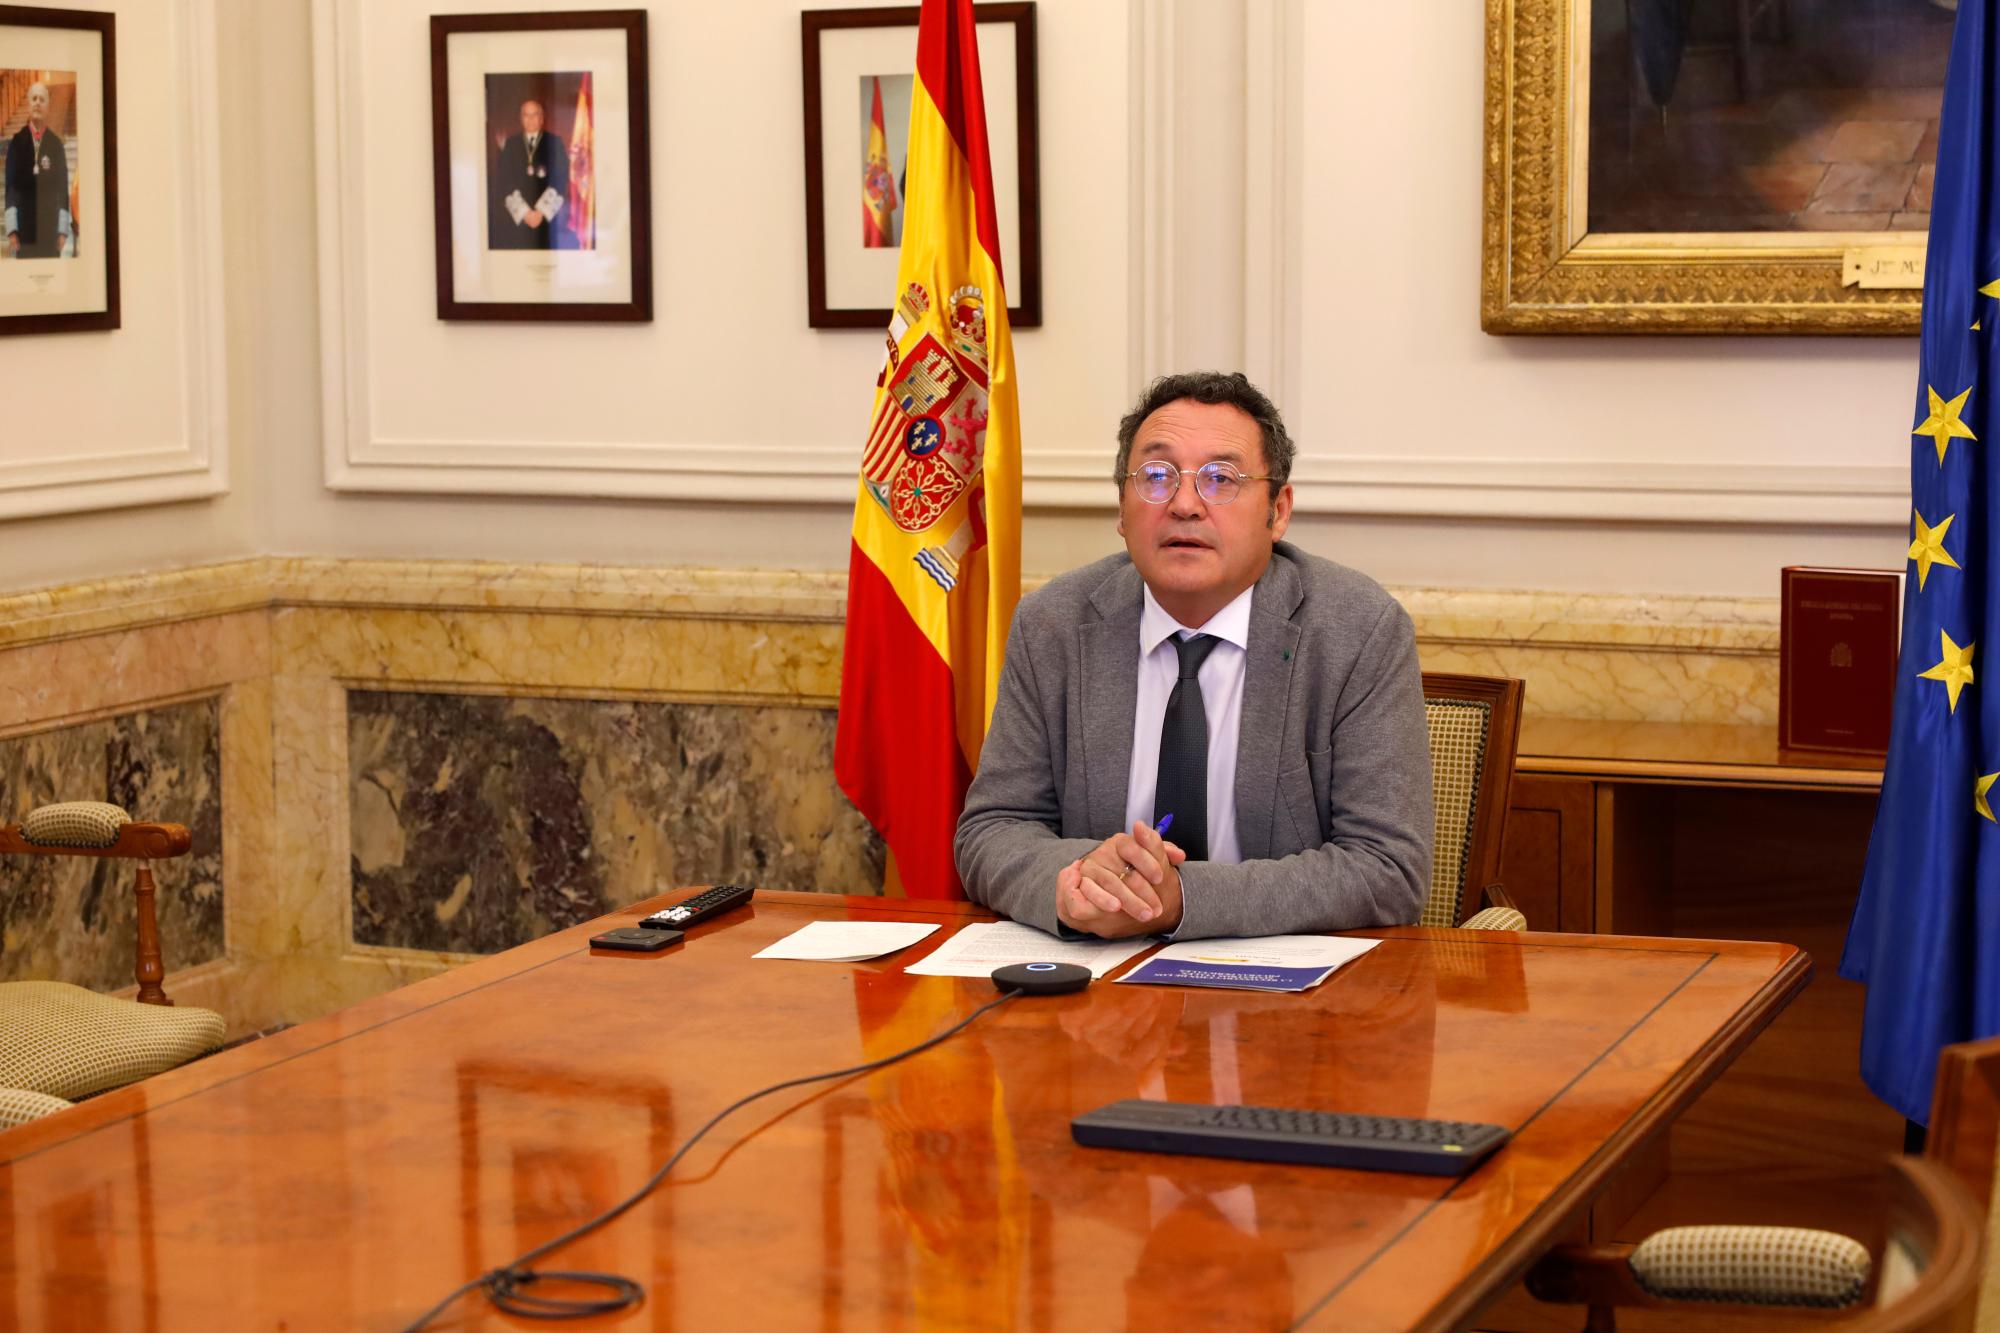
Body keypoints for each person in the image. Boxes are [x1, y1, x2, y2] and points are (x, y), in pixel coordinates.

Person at [955, 371, 1433, 940]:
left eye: (1220, 478)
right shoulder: (1052, 625)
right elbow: (992, 829)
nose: (1184, 504)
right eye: (1156, 476)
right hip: (1098, 977)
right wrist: (1077, 880)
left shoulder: (1357, 631)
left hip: (1282, 983)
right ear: (1122, 508)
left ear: (1278, 511)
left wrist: (1182, 901)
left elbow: (1387, 868)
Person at [4, 82, 72, 259]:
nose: (37, 103)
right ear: (28, 104)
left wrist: (62, 231)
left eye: (42, 99)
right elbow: (11, 187)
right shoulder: (17, 143)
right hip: (23, 232)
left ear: (48, 107)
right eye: (34, 98)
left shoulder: (56, 145)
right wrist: (12, 230)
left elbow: (62, 188)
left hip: (50, 232)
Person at [489, 98, 568, 251]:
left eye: (534, 114)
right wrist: (524, 213)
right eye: (526, 115)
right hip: (517, 220)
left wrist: (540, 212)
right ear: (521, 119)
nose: (530, 119)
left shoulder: (555, 142)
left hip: (546, 221)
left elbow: (561, 179)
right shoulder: (511, 144)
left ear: (542, 118)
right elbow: (504, 180)